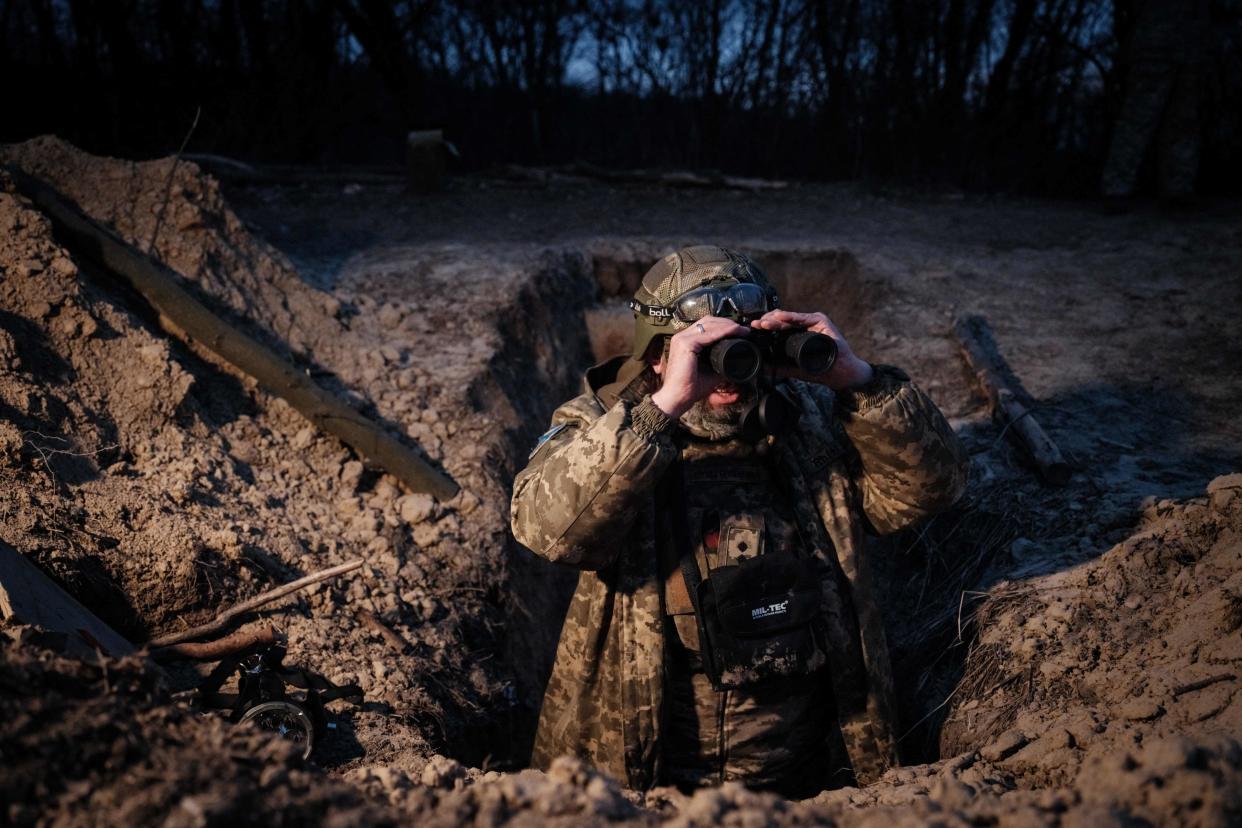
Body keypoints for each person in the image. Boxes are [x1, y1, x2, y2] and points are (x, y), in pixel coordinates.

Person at [510, 245, 967, 796]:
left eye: (742, 349)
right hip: (650, 783)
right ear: (657, 355)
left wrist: (858, 380)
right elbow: (548, 531)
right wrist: (662, 411)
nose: (729, 377)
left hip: (808, 783)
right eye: (705, 351)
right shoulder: (600, 425)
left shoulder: (811, 420)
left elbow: (931, 488)